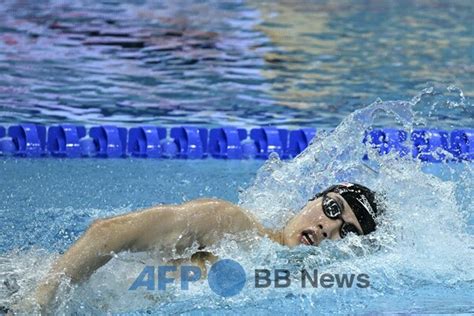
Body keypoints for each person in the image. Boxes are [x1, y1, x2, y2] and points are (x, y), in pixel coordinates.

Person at [25, 182, 382, 313]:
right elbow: (109, 233)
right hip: (32, 286)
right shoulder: (231, 225)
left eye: (346, 231)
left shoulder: (299, 287)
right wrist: (37, 303)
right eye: (332, 209)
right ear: (312, 200)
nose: (327, 226)